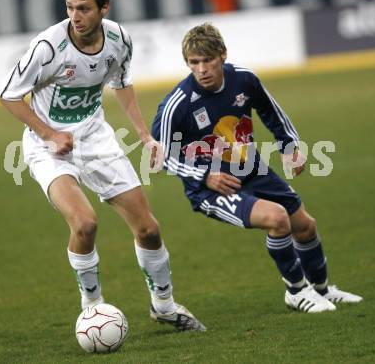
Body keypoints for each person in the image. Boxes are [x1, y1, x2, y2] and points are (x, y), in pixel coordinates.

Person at [0, 0, 205, 332]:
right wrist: (50, 134)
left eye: (83, 8)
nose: (75, 16)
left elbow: (121, 83)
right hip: (49, 148)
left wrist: (144, 134)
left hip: (97, 139)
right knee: (85, 223)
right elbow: (9, 96)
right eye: (69, 8)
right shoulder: (48, 47)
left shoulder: (119, 40)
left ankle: (165, 305)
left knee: (149, 230)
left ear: (104, 7)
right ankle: (92, 307)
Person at [151, 23, 362, 313]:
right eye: (194, 63)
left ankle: (322, 290)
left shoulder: (244, 80)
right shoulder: (178, 105)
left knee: (305, 226)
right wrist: (204, 175)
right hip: (212, 188)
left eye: (208, 60)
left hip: (252, 169)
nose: (202, 69)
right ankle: (297, 292)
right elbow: (159, 155)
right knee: (276, 219)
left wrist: (289, 146)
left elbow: (270, 111)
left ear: (222, 55)